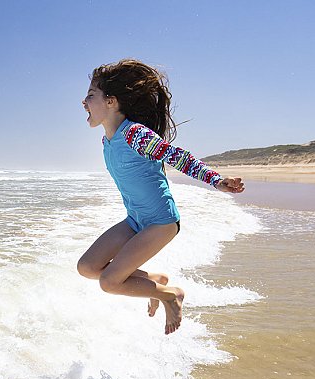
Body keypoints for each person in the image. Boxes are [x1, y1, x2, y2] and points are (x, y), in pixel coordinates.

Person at [77, 59, 245, 335]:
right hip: (135, 220)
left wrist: (217, 181)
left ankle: (170, 294)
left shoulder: (135, 134)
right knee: (87, 267)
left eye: (90, 95)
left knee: (109, 282)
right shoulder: (108, 140)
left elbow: (178, 157)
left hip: (160, 223)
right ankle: (156, 282)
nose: (84, 102)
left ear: (111, 102)